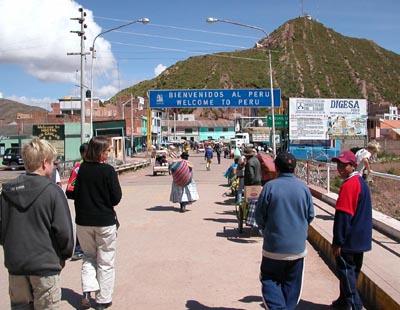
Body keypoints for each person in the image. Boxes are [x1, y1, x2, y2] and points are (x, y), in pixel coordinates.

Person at [0, 138, 74, 309]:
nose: (54, 166)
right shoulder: (52, 191)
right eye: (52, 162)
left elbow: (2, 230)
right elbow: (64, 232)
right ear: (43, 163)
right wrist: (63, 256)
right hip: (45, 266)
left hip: (16, 267)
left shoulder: (7, 191)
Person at [255, 152, 314, 310]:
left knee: (269, 279)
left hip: (273, 248)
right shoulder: (303, 188)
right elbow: (310, 215)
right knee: (292, 284)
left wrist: (266, 229)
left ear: (276, 167)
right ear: (294, 168)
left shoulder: (269, 187)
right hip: (297, 249)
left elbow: (259, 216)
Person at [73, 136, 122, 310]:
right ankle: (102, 300)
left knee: (88, 256)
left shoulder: (81, 169)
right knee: (106, 261)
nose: (109, 153)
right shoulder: (108, 171)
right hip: (104, 222)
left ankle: (87, 290)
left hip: (83, 222)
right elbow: (116, 198)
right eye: (108, 150)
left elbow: (72, 193)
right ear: (100, 152)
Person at [331, 150, 372, 310]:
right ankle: (343, 303)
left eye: (343, 165)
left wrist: (337, 241)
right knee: (351, 274)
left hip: (349, 240)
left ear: (352, 165)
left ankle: (355, 306)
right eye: (338, 164)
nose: (339, 168)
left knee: (347, 274)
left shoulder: (350, 185)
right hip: (360, 238)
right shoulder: (361, 182)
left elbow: (344, 215)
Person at [66, 143, 89, 261]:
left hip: (82, 206)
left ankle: (80, 250)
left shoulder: (77, 169)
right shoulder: (103, 167)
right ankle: (79, 249)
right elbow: (69, 190)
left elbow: (69, 191)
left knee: (83, 226)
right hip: (90, 207)